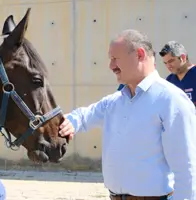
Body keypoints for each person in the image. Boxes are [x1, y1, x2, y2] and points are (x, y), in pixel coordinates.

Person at [59, 29, 196, 200]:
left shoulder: (172, 100)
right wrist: (70, 122)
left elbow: (187, 168)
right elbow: (85, 115)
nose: (111, 66)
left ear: (139, 55)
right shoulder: (115, 101)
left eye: (115, 59)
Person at [159, 41, 196, 105]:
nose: (168, 66)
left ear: (183, 58)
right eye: (165, 63)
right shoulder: (169, 80)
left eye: (171, 61)